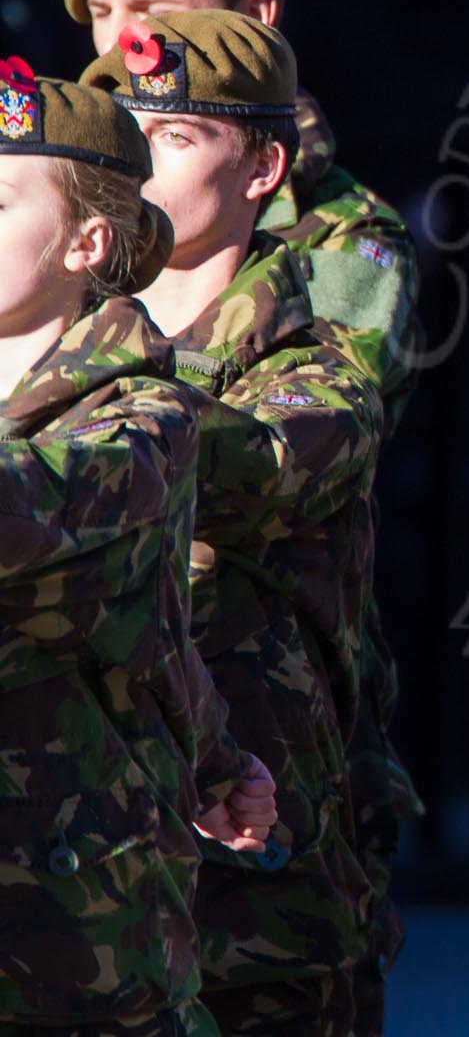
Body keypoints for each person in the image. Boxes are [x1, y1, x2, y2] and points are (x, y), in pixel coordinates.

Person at [65, 0, 420, 1027]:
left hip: (265, 775)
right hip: (76, 799)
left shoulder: (335, 246)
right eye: (105, 22)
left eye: (155, 17)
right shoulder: (56, 242)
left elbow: (289, 452)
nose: (123, 49)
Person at [0, 65, 276, 1035]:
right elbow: (161, 640)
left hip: (77, 950)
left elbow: (38, 525)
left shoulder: (144, 417)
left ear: (88, 240)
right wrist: (222, 759)